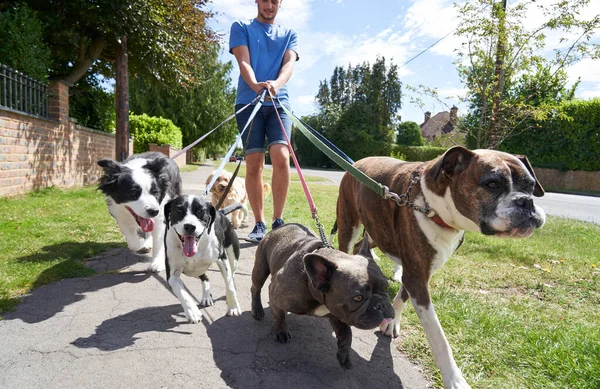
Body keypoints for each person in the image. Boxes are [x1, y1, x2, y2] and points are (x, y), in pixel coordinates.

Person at [229, 0, 299, 242]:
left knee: (281, 156)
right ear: (256, 1)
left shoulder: (289, 34)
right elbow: (243, 62)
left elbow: (289, 65)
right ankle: (259, 223)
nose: (269, 5)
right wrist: (256, 85)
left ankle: (278, 221)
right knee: (254, 164)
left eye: (274, 0)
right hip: (249, 103)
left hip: (279, 103)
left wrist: (275, 86)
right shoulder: (241, 27)